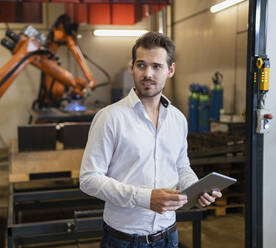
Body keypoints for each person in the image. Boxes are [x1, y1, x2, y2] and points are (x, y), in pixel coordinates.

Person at [79, 31, 222, 248]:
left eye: (156, 66)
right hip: (124, 240)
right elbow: (89, 179)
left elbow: (181, 166)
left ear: (170, 70)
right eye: (141, 65)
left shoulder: (177, 119)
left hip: (169, 236)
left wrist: (195, 189)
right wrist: (144, 198)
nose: (148, 73)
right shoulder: (110, 118)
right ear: (132, 68)